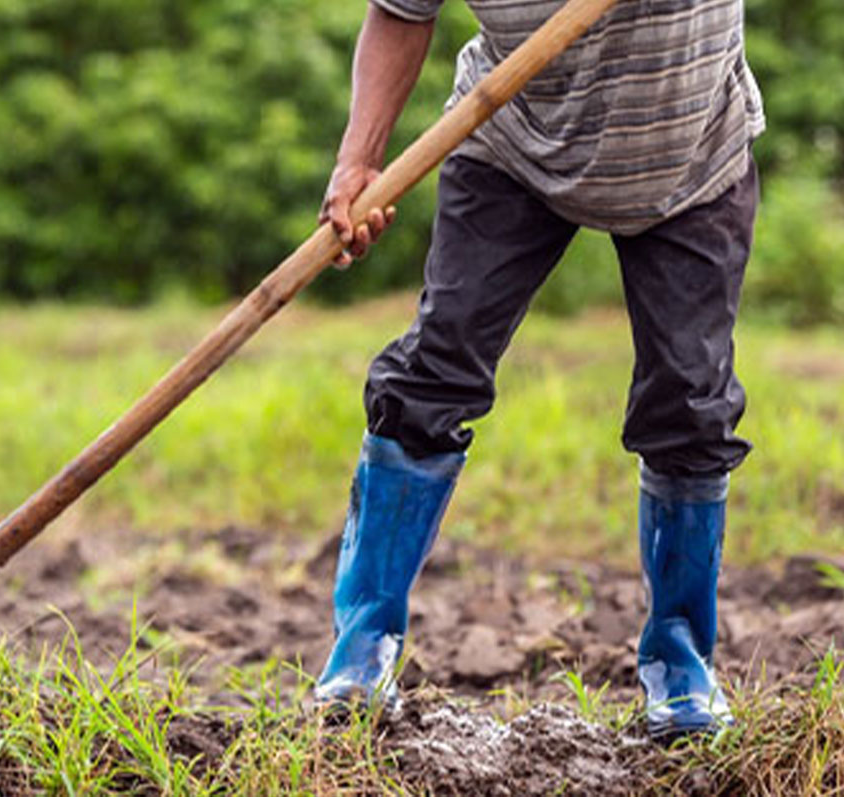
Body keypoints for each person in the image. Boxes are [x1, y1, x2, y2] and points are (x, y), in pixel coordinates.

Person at [314, 0, 764, 742]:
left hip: (689, 154)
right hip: (511, 144)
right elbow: (399, 11)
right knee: (434, 371)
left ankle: (680, 663)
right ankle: (362, 649)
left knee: (690, 401)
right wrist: (359, 159)